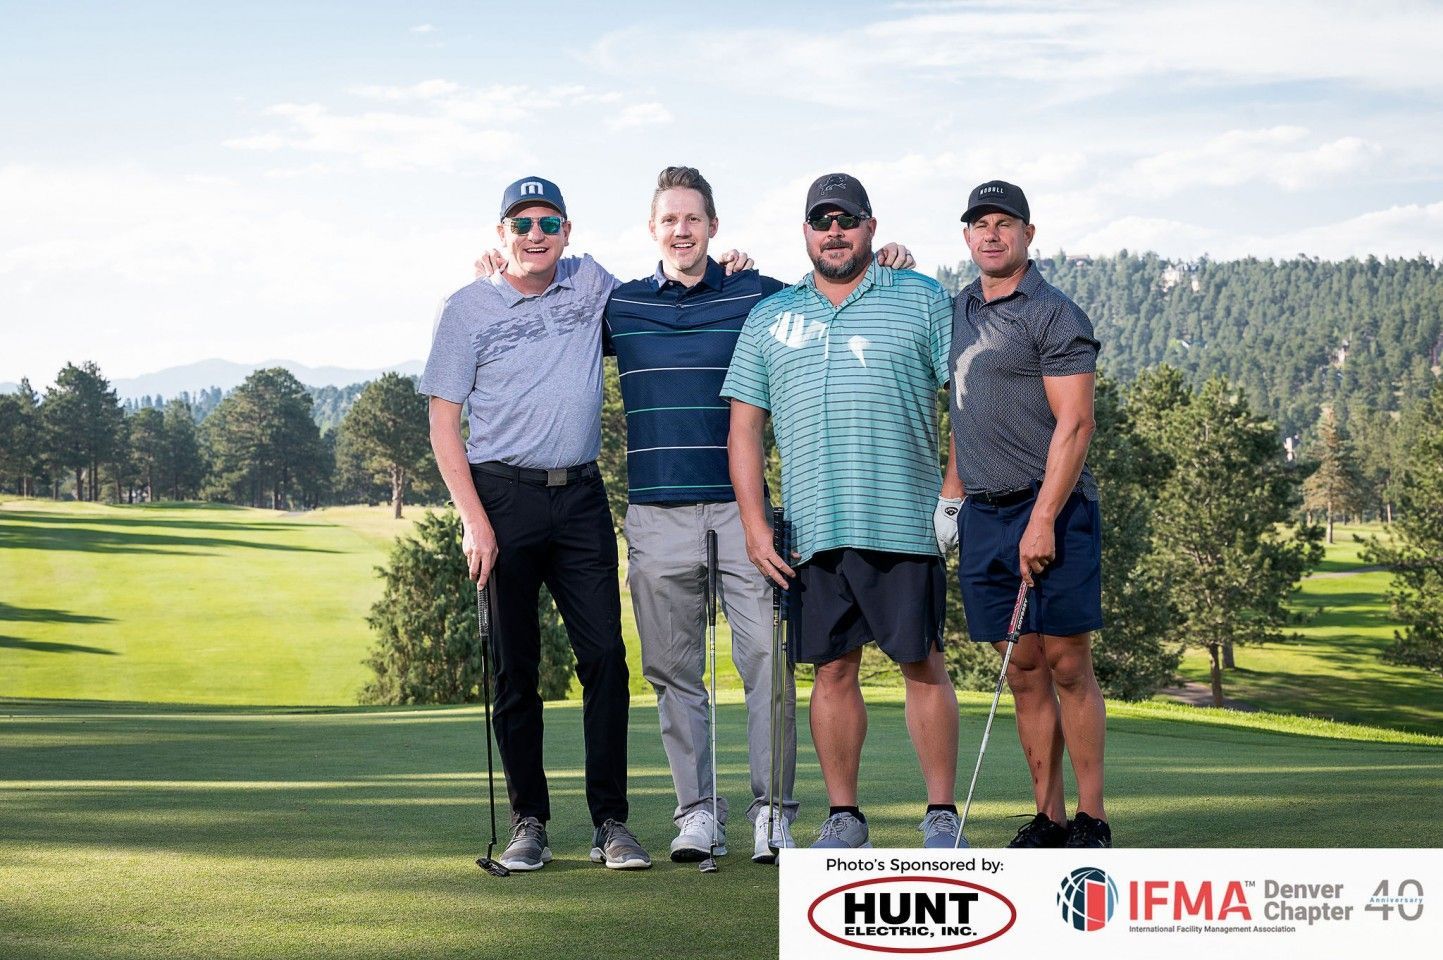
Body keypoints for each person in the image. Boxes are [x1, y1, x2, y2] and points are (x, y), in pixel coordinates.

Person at [474, 167, 914, 864]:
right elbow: (543, 308)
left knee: (765, 662)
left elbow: (835, 286)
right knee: (673, 671)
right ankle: (697, 815)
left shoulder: (758, 297)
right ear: (653, 231)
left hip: (746, 516)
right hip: (655, 516)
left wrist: (886, 263)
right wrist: (498, 271)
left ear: (713, 227)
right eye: (668, 220)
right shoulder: (619, 306)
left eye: (693, 219)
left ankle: (771, 814)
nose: (681, 231)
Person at [722, 173, 964, 850]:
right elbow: (743, 428)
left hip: (906, 520)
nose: (834, 232)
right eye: (821, 221)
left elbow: (965, 406)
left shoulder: (920, 298)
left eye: (846, 220)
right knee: (832, 671)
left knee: (923, 664)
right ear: (805, 232)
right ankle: (843, 817)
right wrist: (753, 522)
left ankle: (940, 813)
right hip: (813, 526)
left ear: (869, 227)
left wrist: (954, 494)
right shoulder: (770, 315)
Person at [419, 175, 653, 872]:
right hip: (502, 499)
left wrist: (730, 266)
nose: (534, 236)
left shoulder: (590, 285)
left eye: (548, 223)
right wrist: (474, 522)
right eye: (520, 225)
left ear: (568, 233)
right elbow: (442, 422)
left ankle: (611, 821)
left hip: (580, 498)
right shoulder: (464, 308)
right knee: (515, 671)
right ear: (500, 235)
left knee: (605, 660)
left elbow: (665, 287)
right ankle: (529, 822)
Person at [938, 179, 1110, 848]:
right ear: (966, 237)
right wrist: (951, 498)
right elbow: (961, 409)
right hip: (983, 512)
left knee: (1067, 660)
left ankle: (1090, 819)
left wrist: (1041, 520)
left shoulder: (1053, 314)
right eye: (978, 224)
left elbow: (1076, 423)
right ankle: (1049, 817)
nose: (990, 233)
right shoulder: (957, 310)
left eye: (1003, 222)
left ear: (1027, 235)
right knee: (1022, 666)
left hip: (1054, 508)